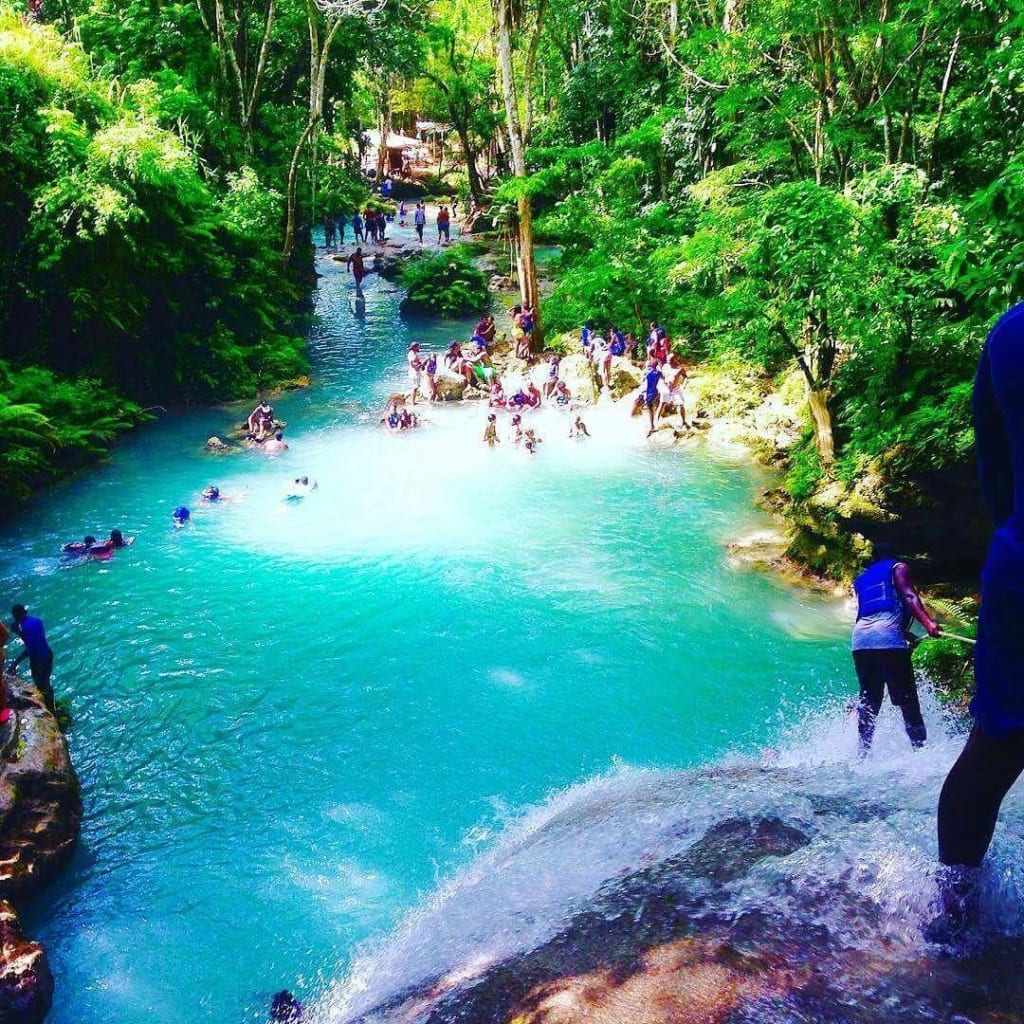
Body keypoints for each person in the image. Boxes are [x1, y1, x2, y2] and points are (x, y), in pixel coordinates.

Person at [933, 302, 1024, 932]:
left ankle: (955, 915)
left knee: (992, 749)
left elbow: (992, 465)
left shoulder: (1010, 330)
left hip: (1020, 563)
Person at [851, 547, 940, 755]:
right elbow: (909, 597)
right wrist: (928, 623)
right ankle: (920, 753)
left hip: (860, 641)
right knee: (907, 701)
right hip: (887, 638)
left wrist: (904, 637)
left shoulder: (861, 580)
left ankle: (862, 754)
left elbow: (875, 612)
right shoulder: (898, 568)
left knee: (870, 700)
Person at [10, 605, 55, 713]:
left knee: (41, 685)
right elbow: (36, 641)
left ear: (17, 616)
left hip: (39, 660)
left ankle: (48, 710)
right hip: (47, 654)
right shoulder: (36, 621)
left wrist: (15, 664)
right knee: (46, 683)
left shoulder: (26, 628)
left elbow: (31, 648)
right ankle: (52, 707)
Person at [660, 354, 691, 429]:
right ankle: (656, 422)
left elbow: (686, 377)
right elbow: (663, 376)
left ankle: (683, 421)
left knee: (681, 404)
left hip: (676, 389)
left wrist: (683, 385)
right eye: (668, 361)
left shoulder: (679, 369)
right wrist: (665, 383)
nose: (669, 362)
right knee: (662, 404)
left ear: (675, 360)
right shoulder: (665, 367)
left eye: (671, 360)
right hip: (667, 388)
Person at [641, 357, 663, 436]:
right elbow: (663, 379)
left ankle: (652, 426)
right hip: (655, 391)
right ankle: (654, 424)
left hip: (648, 391)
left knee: (650, 408)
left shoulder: (647, 372)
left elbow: (643, 381)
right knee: (653, 407)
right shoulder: (658, 372)